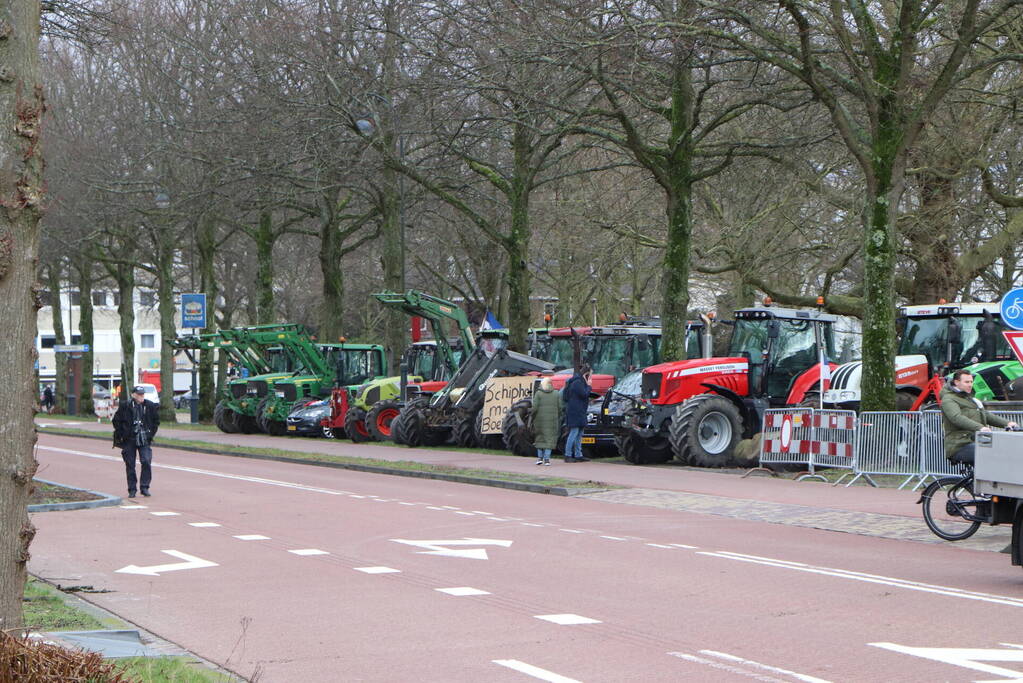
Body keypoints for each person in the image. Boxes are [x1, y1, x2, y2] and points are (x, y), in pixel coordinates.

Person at [941, 369, 1017, 465]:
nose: (970, 385)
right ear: (956, 382)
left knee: (1004, 452)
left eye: (971, 382)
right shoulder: (949, 399)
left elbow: (986, 415)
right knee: (992, 455)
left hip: (976, 440)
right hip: (959, 444)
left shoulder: (969, 398)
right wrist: (980, 428)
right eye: (966, 382)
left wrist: (1007, 423)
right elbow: (956, 417)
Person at [112, 385, 161, 498]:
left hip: (144, 438)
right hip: (129, 439)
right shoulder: (126, 406)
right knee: (130, 464)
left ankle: (144, 487)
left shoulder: (149, 406)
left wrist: (150, 434)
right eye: (139, 394)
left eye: (142, 394)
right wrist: (122, 433)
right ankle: (132, 489)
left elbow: (156, 421)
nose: (141, 396)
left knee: (146, 461)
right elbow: (116, 420)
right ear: (133, 395)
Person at [562, 363, 592, 462]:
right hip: (576, 411)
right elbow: (584, 394)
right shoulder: (578, 382)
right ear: (586, 374)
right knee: (574, 432)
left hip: (578, 410)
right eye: (590, 374)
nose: (591, 377)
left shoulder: (576, 381)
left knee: (579, 433)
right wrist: (589, 386)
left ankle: (578, 454)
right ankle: (568, 455)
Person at [530, 377, 561, 466]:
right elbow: (560, 407)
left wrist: (532, 416)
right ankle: (547, 460)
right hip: (552, 420)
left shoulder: (538, 394)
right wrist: (557, 416)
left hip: (539, 420)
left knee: (540, 438)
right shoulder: (556, 393)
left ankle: (540, 458)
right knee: (549, 439)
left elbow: (534, 408)